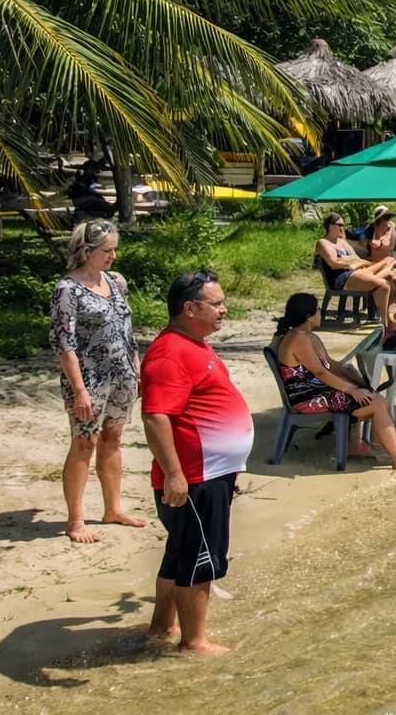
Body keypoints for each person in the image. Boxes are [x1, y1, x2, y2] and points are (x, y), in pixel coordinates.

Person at [140, 271, 253, 655]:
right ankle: (194, 643)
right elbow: (156, 417)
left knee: (180, 552)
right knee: (198, 559)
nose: (224, 310)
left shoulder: (195, 344)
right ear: (190, 308)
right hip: (194, 477)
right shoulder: (170, 353)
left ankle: (160, 627)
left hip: (211, 473)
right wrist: (174, 475)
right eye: (216, 303)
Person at [49, 220, 145, 544]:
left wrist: (137, 369)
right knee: (83, 443)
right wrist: (79, 390)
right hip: (88, 380)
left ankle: (112, 509)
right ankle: (75, 520)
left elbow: (127, 329)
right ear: (86, 251)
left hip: (121, 375)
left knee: (113, 439)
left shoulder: (115, 282)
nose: (113, 255)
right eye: (107, 250)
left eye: (115, 249)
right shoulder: (67, 289)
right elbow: (65, 344)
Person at [271, 294, 396, 471]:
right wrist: (351, 390)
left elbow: (332, 365)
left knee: (375, 398)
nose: (321, 313)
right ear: (308, 316)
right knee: (377, 404)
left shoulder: (307, 336)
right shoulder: (298, 339)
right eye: (318, 309)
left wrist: (360, 384)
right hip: (308, 398)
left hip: (318, 391)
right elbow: (320, 372)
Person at [315, 212, 396, 335]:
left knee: (390, 262)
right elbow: (334, 263)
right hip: (342, 277)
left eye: (343, 225)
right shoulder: (323, 242)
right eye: (339, 225)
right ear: (330, 225)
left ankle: (386, 274)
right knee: (384, 284)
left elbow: (356, 260)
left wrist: (368, 264)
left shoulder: (342, 242)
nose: (342, 228)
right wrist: (353, 261)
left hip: (355, 271)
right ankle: (384, 325)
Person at [366, 205, 396, 270]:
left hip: (390, 254)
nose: (388, 221)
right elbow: (380, 244)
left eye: (388, 218)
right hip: (380, 258)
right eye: (386, 218)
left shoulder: (393, 229)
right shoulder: (371, 230)